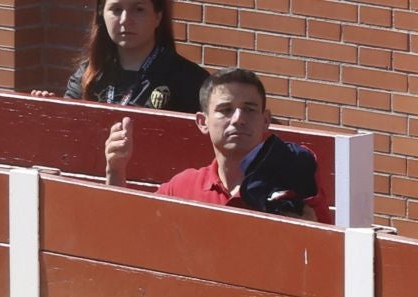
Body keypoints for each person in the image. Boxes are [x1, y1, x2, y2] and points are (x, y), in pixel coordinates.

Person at [102, 69, 328, 220]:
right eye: (225, 110)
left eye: (249, 109)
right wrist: (116, 170)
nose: (238, 118)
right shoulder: (182, 188)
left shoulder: (293, 182)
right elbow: (132, 233)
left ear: (265, 121)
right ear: (203, 122)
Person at [62, 0, 207, 111]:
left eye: (138, 9)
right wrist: (44, 106)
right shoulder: (87, 74)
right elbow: (64, 126)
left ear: (158, 17)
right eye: (116, 10)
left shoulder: (190, 80)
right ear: (102, 15)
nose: (125, 20)